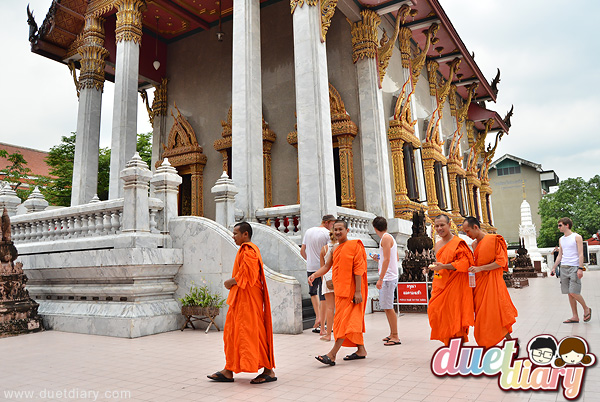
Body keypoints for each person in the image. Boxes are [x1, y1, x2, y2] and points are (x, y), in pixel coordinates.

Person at [207, 222, 276, 384]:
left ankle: (268, 371)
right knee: (233, 333)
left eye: (236, 233)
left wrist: (230, 281)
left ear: (245, 234)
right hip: (242, 300)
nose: (233, 236)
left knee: (252, 333)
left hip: (249, 301)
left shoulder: (248, 250)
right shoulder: (245, 250)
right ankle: (229, 370)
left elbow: (249, 276)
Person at [309, 220, 368, 366]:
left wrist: (358, 291)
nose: (337, 232)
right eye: (335, 230)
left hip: (353, 291)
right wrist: (314, 275)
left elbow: (358, 270)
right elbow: (327, 266)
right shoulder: (335, 248)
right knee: (349, 321)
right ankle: (361, 350)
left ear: (347, 230)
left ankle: (332, 354)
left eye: (340, 229)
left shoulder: (355, 246)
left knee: (344, 322)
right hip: (340, 290)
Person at [462, 216, 518, 348]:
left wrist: (480, 268)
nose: (467, 235)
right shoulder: (475, 244)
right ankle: (489, 344)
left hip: (493, 284)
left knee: (496, 314)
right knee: (483, 317)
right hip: (480, 285)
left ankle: (505, 344)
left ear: (476, 227)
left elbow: (501, 262)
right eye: (465, 232)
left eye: (468, 231)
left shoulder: (494, 240)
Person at [427, 214, 475, 346]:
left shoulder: (458, 243)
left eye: (442, 225)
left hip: (455, 285)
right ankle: (449, 344)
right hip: (440, 283)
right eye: (436, 226)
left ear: (449, 225)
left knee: (454, 316)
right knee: (436, 311)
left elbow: (465, 263)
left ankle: (456, 347)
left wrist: (445, 266)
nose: (439, 228)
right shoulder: (437, 245)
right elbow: (440, 263)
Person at [551, 217, 592, 324]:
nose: (558, 227)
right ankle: (575, 316)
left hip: (574, 267)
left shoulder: (577, 237)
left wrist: (580, 268)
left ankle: (586, 308)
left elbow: (581, 253)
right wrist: (554, 267)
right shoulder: (561, 239)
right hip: (564, 267)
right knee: (569, 293)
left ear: (567, 225)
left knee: (574, 291)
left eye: (560, 225)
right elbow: (560, 255)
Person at [301, 215, 337, 334]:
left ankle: (318, 316)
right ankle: (323, 322)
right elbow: (328, 251)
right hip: (323, 268)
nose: (333, 227)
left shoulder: (308, 231)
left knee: (313, 292)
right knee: (324, 295)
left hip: (310, 267)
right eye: (332, 224)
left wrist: (309, 260)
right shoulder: (327, 234)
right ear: (327, 223)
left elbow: (302, 251)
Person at [371, 216, 401, 346]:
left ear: (375, 228)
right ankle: (392, 333)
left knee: (388, 307)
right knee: (387, 307)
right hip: (389, 275)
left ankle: (395, 335)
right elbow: (394, 257)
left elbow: (388, 259)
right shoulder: (388, 238)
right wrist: (379, 259)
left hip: (388, 278)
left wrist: (381, 278)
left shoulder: (386, 239)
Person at [318, 231, 337, 342]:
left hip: (327, 279)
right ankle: (340, 332)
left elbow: (323, 267)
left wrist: (324, 281)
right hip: (339, 279)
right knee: (339, 308)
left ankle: (328, 334)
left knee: (330, 308)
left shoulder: (324, 249)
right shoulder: (340, 247)